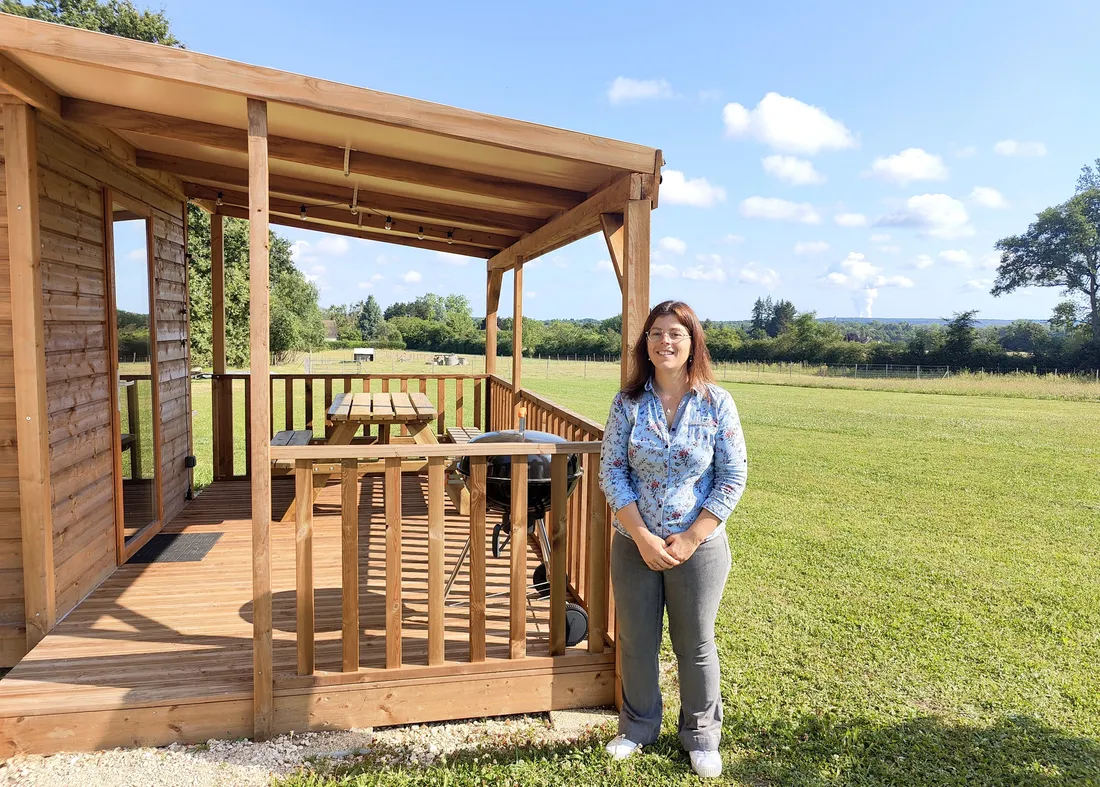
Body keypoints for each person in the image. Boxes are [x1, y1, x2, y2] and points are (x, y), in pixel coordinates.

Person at [598, 300, 748, 779]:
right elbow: (612, 471)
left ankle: (702, 735)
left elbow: (733, 475)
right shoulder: (628, 403)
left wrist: (691, 537)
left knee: (696, 642)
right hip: (634, 543)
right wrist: (641, 536)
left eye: (676, 334)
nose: (666, 341)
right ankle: (637, 728)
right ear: (646, 343)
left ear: (692, 343)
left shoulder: (717, 403)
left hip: (699, 548)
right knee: (637, 640)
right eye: (657, 333)